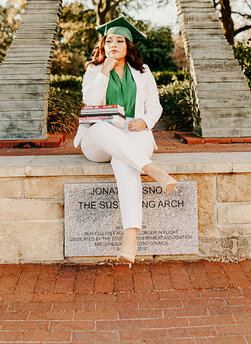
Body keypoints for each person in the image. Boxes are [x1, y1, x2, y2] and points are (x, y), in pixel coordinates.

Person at [73, 16, 177, 264]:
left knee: (124, 161)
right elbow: (90, 102)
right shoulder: (94, 70)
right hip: (99, 138)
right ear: (103, 45)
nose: (114, 44)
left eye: (120, 40)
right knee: (100, 129)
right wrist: (105, 72)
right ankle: (152, 169)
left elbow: (155, 106)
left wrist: (145, 122)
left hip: (132, 132)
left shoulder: (142, 72)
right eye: (109, 40)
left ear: (129, 46)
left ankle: (130, 238)